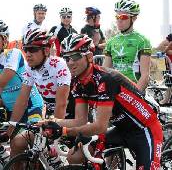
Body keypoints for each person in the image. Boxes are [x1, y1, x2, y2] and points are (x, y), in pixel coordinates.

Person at [39, 34, 163, 170]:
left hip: (145, 129)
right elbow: (80, 120)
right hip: (121, 129)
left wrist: (63, 131)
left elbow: (100, 127)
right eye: (66, 58)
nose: (70, 62)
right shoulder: (77, 83)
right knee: (74, 156)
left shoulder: (106, 79)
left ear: (90, 57)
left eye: (75, 57)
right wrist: (50, 122)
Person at [6, 28, 71, 161]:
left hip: (70, 114)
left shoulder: (59, 65)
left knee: (72, 158)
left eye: (33, 49)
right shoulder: (29, 68)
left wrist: (54, 134)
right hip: (49, 115)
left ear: (46, 51)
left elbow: (62, 103)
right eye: (26, 49)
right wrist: (11, 127)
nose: (28, 54)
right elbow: (22, 101)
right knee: (17, 143)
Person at [103, 0, 152, 91]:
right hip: (114, 89)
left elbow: (145, 75)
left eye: (123, 17)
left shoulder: (142, 40)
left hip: (133, 88)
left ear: (134, 18)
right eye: (117, 17)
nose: (119, 20)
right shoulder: (111, 41)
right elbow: (105, 71)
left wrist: (135, 96)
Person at [156, 33, 172, 105]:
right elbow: (160, 47)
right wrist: (168, 50)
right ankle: (166, 99)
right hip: (170, 62)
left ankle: (166, 99)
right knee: (169, 82)